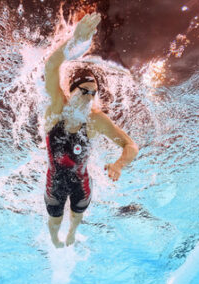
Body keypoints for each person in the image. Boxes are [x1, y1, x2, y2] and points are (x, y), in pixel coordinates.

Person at [43, 13, 139, 248]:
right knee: (54, 220)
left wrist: (119, 164)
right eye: (84, 91)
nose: (89, 98)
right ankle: (55, 237)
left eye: (93, 93)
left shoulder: (95, 120)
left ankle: (73, 232)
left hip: (81, 181)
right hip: (54, 180)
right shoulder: (57, 107)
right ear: (71, 90)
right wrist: (75, 40)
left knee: (77, 216)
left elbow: (131, 145)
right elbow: (51, 65)